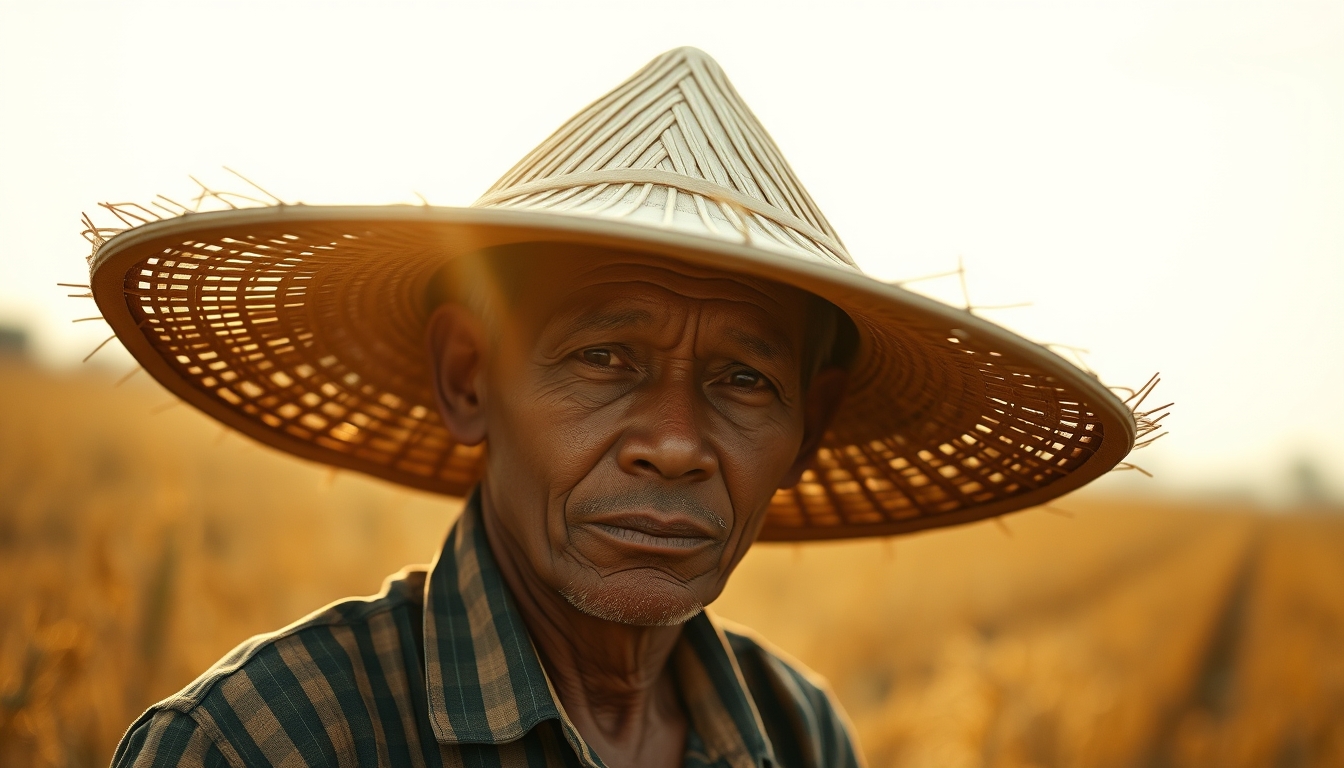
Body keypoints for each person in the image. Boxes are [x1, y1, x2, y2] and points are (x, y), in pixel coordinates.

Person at [92, 47, 1141, 767]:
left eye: (744, 380)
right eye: (605, 357)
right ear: (470, 377)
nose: (677, 443)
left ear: (807, 430)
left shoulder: (797, 734)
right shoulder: (263, 743)